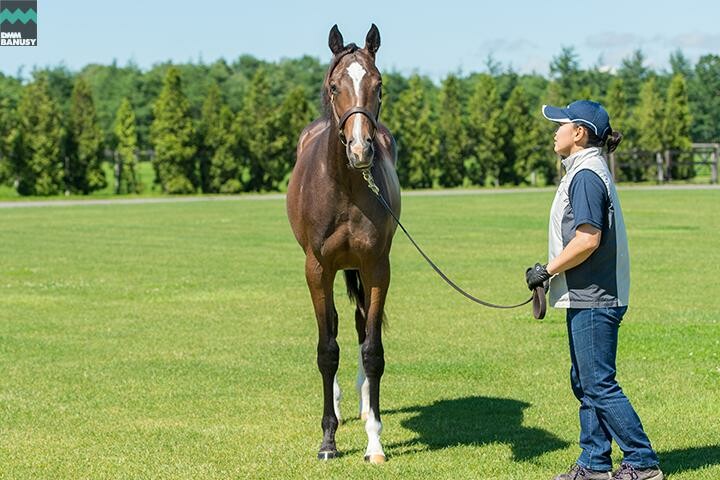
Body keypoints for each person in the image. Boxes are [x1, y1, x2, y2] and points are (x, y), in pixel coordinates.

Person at [525, 100, 663, 480]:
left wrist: (546, 270)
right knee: (585, 381)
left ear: (579, 133)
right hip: (588, 292)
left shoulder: (586, 175)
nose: (555, 131)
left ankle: (642, 460)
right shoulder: (585, 170)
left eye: (560, 124)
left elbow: (588, 239)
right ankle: (594, 464)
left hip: (595, 295)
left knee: (599, 383)